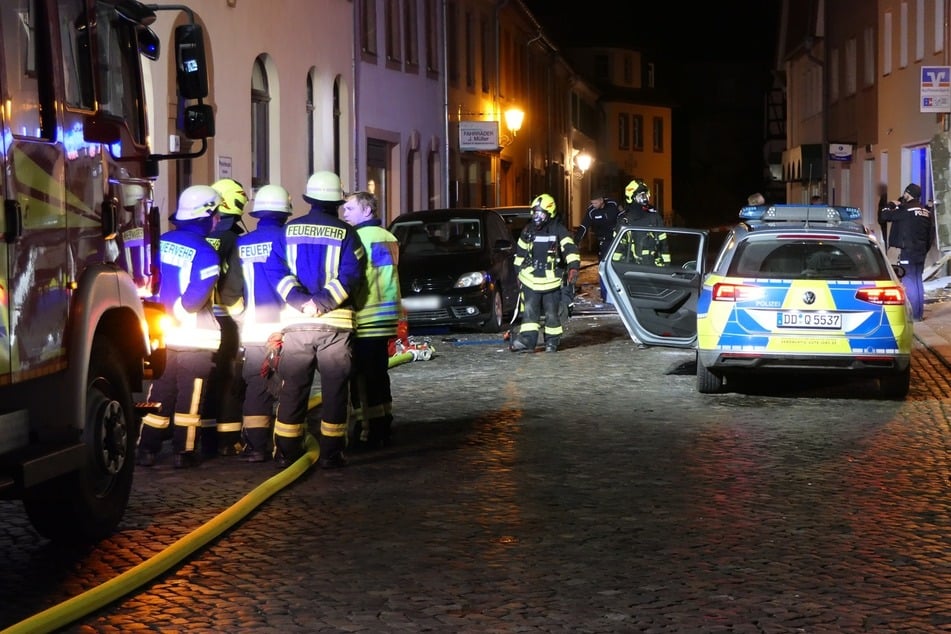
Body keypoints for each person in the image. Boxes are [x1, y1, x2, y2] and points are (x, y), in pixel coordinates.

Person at [264, 171, 366, 468]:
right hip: (335, 325)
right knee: (335, 390)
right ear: (337, 202)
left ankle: (286, 451)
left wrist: (300, 301)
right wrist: (322, 302)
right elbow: (352, 275)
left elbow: (275, 271)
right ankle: (332, 453)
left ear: (308, 199)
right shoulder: (348, 234)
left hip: (296, 324)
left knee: (293, 387)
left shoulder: (288, 231)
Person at [138, 185, 232, 468]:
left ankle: (147, 449)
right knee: (190, 398)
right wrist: (178, 313)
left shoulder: (161, 242)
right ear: (205, 216)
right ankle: (184, 451)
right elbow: (196, 295)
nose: (217, 220)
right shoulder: (206, 253)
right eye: (215, 215)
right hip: (195, 337)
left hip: (162, 335)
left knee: (160, 394)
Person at [233, 184, 294, 462]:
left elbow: (232, 290)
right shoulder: (289, 240)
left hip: (253, 328)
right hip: (288, 326)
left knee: (257, 385)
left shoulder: (242, 243)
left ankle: (257, 447)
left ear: (257, 213)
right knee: (292, 385)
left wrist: (239, 318)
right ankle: (287, 446)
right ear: (285, 214)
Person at [339, 191, 403, 449]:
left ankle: (368, 432)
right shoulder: (390, 237)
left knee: (362, 380)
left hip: (366, 316)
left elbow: (355, 278)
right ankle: (383, 424)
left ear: (367, 211)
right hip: (387, 315)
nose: (345, 213)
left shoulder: (356, 238)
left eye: (350, 209)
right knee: (379, 376)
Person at [207, 177, 249, 457]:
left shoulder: (200, 234)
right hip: (227, 321)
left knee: (204, 381)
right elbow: (234, 287)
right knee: (230, 381)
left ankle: (203, 437)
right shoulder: (235, 240)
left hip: (198, 320)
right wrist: (241, 319)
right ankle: (227, 440)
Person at [510, 194, 581, 353]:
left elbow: (570, 249)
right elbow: (519, 255)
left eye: (541, 213)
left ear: (550, 213)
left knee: (552, 314)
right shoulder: (527, 231)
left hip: (552, 281)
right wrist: (517, 274)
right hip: (530, 280)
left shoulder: (558, 230)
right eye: (535, 213)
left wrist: (573, 267)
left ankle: (552, 342)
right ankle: (528, 341)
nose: (537, 217)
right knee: (529, 314)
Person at [879, 182, 934, 321]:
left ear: (907, 193)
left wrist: (890, 205)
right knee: (917, 281)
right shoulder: (926, 212)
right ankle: (918, 314)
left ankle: (913, 315)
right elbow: (930, 234)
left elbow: (884, 216)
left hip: (908, 250)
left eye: (905, 193)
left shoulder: (905, 209)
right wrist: (925, 249)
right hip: (920, 251)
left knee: (909, 281)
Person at [573, 191, 622, 301]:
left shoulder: (613, 204)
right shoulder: (591, 211)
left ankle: (618, 294)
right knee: (603, 268)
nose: (593, 205)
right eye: (592, 203)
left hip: (617, 242)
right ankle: (606, 296)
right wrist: (576, 241)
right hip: (603, 243)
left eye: (595, 203)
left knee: (616, 267)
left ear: (601, 200)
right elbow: (584, 227)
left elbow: (623, 215)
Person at [618, 178, 670, 266]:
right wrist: (616, 266)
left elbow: (663, 242)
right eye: (640, 196)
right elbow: (618, 247)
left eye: (645, 195)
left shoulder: (654, 216)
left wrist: (666, 264)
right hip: (631, 267)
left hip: (653, 266)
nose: (644, 198)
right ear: (632, 198)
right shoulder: (624, 219)